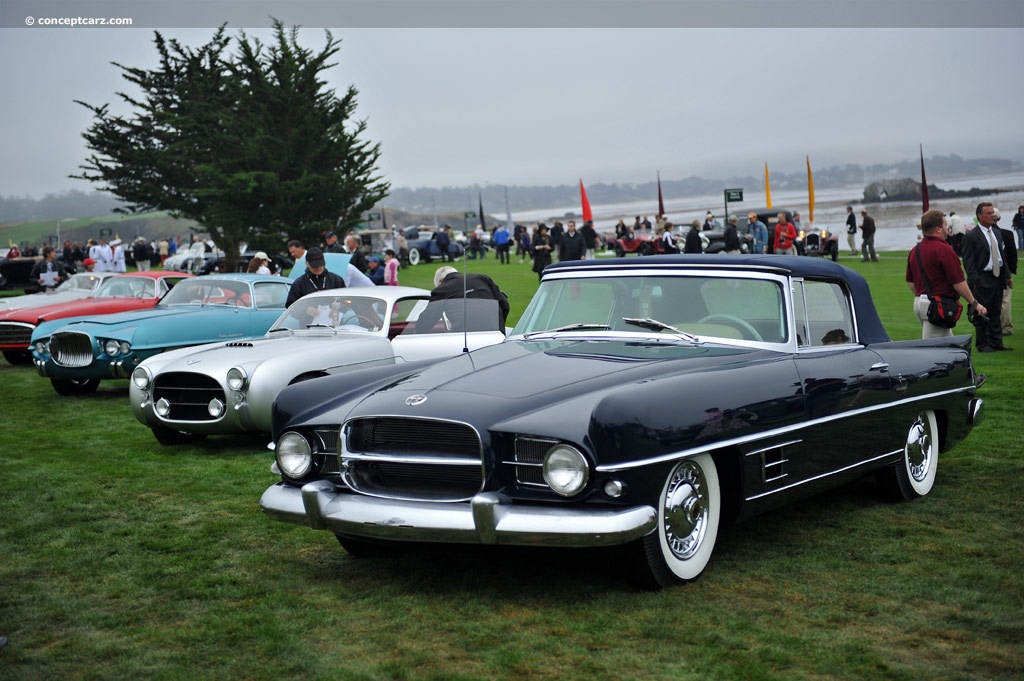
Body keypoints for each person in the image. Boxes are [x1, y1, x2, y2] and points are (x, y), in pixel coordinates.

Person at [905, 210, 985, 339]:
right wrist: (974, 303)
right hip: (936, 305)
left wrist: (923, 294)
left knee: (947, 345)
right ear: (938, 229)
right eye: (945, 225)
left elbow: (910, 281)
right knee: (935, 352)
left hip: (920, 302)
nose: (947, 229)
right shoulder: (944, 249)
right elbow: (958, 282)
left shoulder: (915, 250)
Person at [961, 202, 1012, 352]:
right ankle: (982, 344)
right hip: (982, 279)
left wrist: (1007, 276)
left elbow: (1002, 257)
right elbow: (968, 262)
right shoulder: (971, 236)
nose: (992, 215)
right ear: (980, 216)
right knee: (982, 313)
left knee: (996, 311)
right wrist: (976, 281)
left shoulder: (996, 233)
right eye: (988, 213)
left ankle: (997, 342)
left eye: (992, 213)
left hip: (997, 277)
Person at [415, 265, 510, 333]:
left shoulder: (441, 289)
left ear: (441, 281)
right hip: (497, 334)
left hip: (465, 338)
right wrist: (499, 326)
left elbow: (427, 319)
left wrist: (417, 331)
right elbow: (504, 304)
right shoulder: (482, 278)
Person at [996, 209, 1018, 336]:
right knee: (1005, 301)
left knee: (992, 300)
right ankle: (1005, 328)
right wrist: (1012, 271)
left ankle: (992, 327)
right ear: (999, 218)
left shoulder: (979, 234)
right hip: (1005, 272)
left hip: (987, 274)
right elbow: (1012, 255)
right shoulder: (1007, 234)